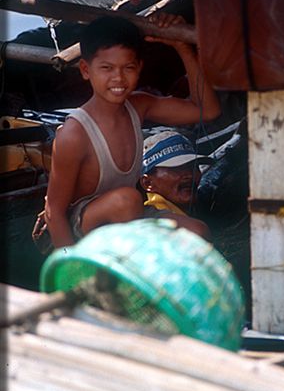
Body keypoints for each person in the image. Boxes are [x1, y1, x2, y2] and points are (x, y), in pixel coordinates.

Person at [44, 13, 221, 249]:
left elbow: (206, 110)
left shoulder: (139, 106)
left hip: (129, 215)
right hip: (83, 227)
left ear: (139, 68)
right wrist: (70, 272)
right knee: (127, 199)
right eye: (106, 68)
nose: (118, 78)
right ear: (86, 69)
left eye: (128, 67)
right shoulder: (74, 133)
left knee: (199, 231)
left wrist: (183, 47)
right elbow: (54, 211)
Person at [139, 128, 214, 240]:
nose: (189, 175)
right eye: (176, 169)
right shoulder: (155, 225)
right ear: (148, 183)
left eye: (193, 167)